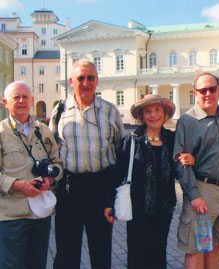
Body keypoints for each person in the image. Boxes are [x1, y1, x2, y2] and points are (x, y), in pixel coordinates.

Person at [104, 94, 195, 269]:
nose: (153, 115)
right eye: (148, 111)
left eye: (157, 110)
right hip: (138, 209)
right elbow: (117, 173)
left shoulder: (172, 139)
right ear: (142, 116)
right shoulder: (132, 140)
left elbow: (180, 167)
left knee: (159, 252)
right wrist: (109, 203)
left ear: (165, 113)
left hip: (164, 207)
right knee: (137, 254)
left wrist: (191, 159)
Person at [50, 59, 125, 269]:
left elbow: (119, 148)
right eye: (80, 78)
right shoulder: (59, 111)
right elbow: (53, 149)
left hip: (101, 189)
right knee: (66, 252)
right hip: (69, 188)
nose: (85, 82)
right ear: (71, 81)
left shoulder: (110, 111)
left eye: (90, 77)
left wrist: (113, 191)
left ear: (97, 80)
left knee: (101, 252)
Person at [174, 72, 219, 268]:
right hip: (202, 189)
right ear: (195, 93)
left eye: (212, 89)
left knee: (215, 243)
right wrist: (194, 195)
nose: (208, 93)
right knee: (194, 247)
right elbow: (179, 162)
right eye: (203, 90)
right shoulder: (188, 121)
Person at [0, 81, 62, 269]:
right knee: (13, 265)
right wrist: (17, 184)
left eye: (25, 97)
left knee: (37, 264)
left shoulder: (43, 131)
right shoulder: (2, 133)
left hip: (40, 213)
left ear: (32, 100)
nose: (21, 101)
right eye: (15, 97)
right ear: (5, 102)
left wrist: (51, 179)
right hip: (12, 215)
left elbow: (57, 162)